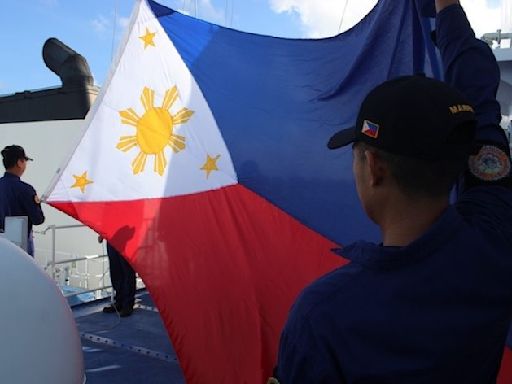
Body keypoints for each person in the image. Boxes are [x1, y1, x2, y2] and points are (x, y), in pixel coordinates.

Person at [272, 0, 512, 383]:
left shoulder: (323, 315)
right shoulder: (494, 242)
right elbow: (481, 107)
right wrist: (447, 8)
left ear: (375, 168)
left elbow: (480, 111)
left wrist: (447, 7)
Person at [0, 145, 45, 257]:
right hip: (20, 249)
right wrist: (37, 204)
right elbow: (38, 219)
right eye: (25, 161)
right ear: (20, 163)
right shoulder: (26, 190)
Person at [99, 236, 136, 317]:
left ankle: (128, 304)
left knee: (127, 271)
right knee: (115, 270)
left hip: (126, 238)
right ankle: (119, 301)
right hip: (112, 238)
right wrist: (102, 233)